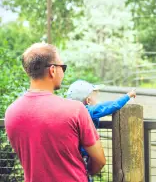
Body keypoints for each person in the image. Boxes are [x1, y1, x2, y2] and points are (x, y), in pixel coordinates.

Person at [4, 43, 106, 182]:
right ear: (52, 70)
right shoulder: (76, 110)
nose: (63, 72)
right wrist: (87, 172)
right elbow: (99, 160)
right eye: (63, 67)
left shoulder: (11, 112)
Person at [66, 79, 136, 182]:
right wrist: (127, 96)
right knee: (86, 176)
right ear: (88, 101)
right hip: (84, 155)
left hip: (71, 154)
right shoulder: (88, 110)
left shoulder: (69, 112)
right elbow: (111, 106)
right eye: (95, 98)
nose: (97, 101)